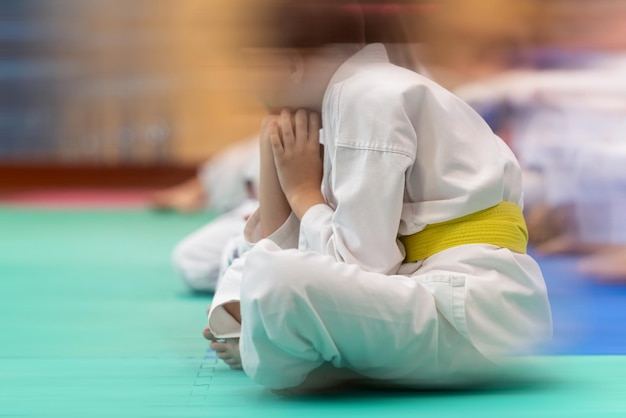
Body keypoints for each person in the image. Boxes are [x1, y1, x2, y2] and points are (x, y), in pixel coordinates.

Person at [203, 0, 552, 392]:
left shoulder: (366, 97)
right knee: (249, 265)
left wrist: (302, 192)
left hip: (467, 313)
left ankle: (319, 361)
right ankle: (300, 347)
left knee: (274, 281)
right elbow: (293, 245)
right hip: (443, 300)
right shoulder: (348, 96)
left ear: (290, 64)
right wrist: (275, 145)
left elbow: (364, 266)